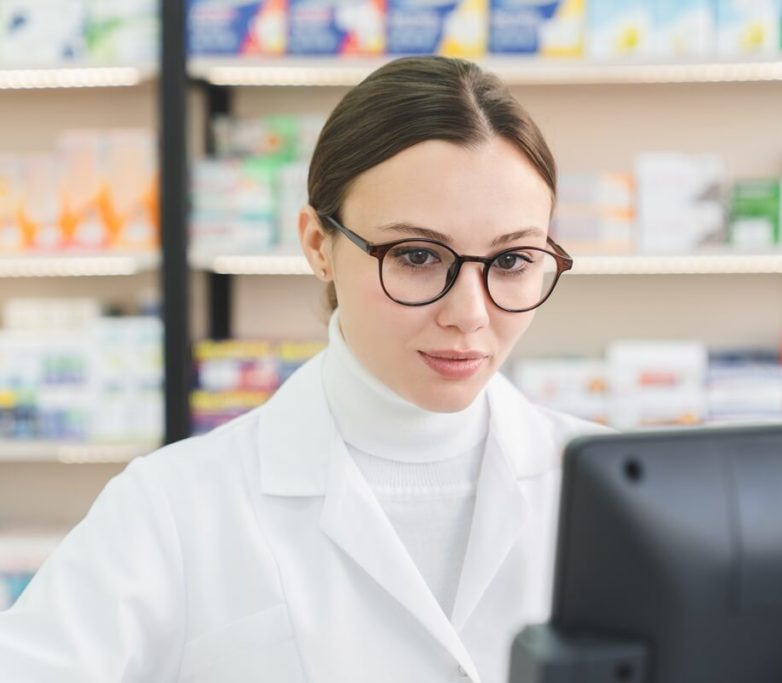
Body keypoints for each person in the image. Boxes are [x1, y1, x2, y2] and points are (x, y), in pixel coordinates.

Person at [0, 56, 609, 682]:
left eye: (511, 260)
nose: (470, 314)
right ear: (319, 246)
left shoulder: (616, 495)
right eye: (418, 255)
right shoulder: (172, 508)